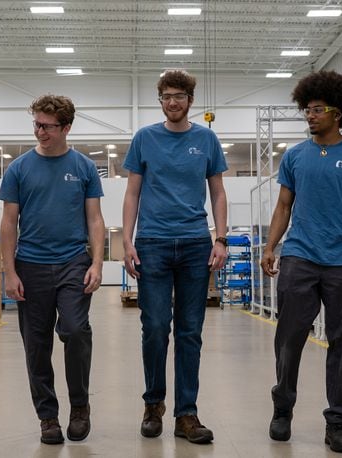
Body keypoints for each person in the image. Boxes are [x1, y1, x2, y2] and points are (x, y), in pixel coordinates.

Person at [260, 70, 342, 453]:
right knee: (289, 340)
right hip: (299, 258)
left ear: (337, 113)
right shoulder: (294, 156)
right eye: (306, 110)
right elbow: (283, 206)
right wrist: (269, 246)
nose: (309, 115)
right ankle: (283, 410)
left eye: (316, 109)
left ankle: (337, 422)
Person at [122, 69, 228, 444]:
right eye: (166, 96)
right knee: (154, 329)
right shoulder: (144, 138)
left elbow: (217, 192)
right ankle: (153, 405)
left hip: (196, 244)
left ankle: (187, 414)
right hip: (152, 243)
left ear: (190, 101)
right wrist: (128, 241)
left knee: (190, 332)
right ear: (161, 100)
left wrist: (221, 238)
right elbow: (132, 192)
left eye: (179, 96)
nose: (173, 102)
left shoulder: (207, 139)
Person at [0, 94, 105, 445]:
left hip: (74, 261)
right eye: (37, 125)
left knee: (75, 331)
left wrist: (98, 263)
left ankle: (79, 406)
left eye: (47, 126)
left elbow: (95, 219)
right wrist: (9, 272)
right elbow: (8, 224)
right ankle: (47, 417)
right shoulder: (19, 168)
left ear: (66, 127)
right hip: (31, 266)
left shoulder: (85, 168)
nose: (40, 131)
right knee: (36, 345)